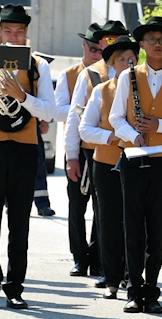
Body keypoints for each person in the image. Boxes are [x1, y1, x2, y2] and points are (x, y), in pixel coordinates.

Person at [0, 4, 56, 310]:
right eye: (7, 31)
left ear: (26, 33)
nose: (13, 37)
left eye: (19, 32)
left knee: (20, 222)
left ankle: (15, 286)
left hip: (25, 148)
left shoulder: (38, 65)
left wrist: (21, 96)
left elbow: (49, 111)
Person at [110, 16, 162, 314]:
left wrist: (159, 125)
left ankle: (152, 290)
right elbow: (116, 118)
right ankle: (133, 289)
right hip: (133, 156)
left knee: (156, 226)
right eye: (151, 39)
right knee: (133, 223)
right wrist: (133, 136)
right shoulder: (126, 77)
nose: (157, 44)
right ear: (141, 45)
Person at [64, 19, 129, 284]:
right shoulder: (89, 73)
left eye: (117, 39)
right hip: (89, 149)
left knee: (108, 211)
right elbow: (74, 117)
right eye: (107, 40)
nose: (111, 44)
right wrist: (70, 155)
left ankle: (104, 262)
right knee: (79, 205)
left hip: (121, 151)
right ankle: (81, 257)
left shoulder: (133, 72)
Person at [78, 35, 140, 299]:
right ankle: (111, 276)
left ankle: (132, 274)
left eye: (132, 60)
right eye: (122, 60)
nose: (128, 64)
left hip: (137, 162)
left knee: (135, 220)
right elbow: (85, 129)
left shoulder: (145, 88)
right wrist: (110, 136)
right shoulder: (101, 91)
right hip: (105, 163)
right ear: (112, 64)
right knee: (109, 220)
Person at [55, 23, 104, 274]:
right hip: (77, 146)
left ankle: (96, 256)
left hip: (102, 147)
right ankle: (78, 255)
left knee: (101, 205)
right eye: (93, 49)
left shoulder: (109, 72)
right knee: (76, 203)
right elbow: (59, 109)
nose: (97, 54)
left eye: (101, 49)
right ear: (83, 46)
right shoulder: (70, 74)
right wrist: (83, 108)